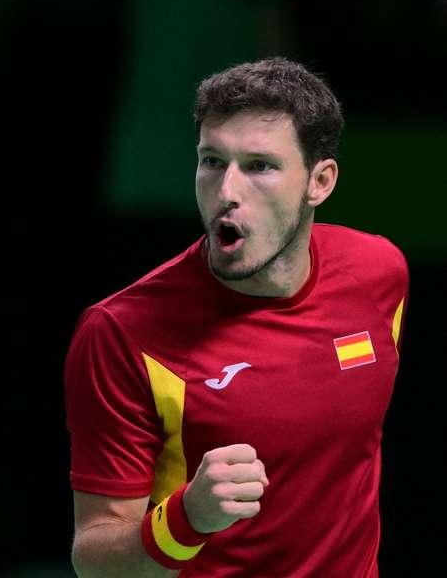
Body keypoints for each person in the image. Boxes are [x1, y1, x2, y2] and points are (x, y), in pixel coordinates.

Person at [64, 57, 408, 577]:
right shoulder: (121, 332)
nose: (226, 192)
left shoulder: (379, 275)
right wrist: (186, 520)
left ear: (321, 181)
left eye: (260, 166)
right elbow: (94, 562)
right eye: (211, 161)